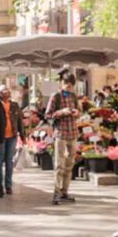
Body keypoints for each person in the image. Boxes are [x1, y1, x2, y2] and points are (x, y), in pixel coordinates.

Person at [45, 74, 80, 206]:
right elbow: (48, 115)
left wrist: (77, 113)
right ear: (62, 83)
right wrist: (61, 112)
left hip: (73, 133)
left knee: (70, 164)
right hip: (60, 133)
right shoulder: (56, 96)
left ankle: (64, 191)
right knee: (59, 164)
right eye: (66, 83)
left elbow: (79, 111)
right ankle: (56, 192)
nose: (68, 86)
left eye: (71, 83)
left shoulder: (74, 96)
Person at [0, 85, 24, 195]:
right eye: (4, 90)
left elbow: (19, 121)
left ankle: (8, 185)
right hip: (0, 137)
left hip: (12, 136)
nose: (7, 92)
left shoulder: (14, 105)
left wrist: (23, 136)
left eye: (8, 90)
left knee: (9, 161)